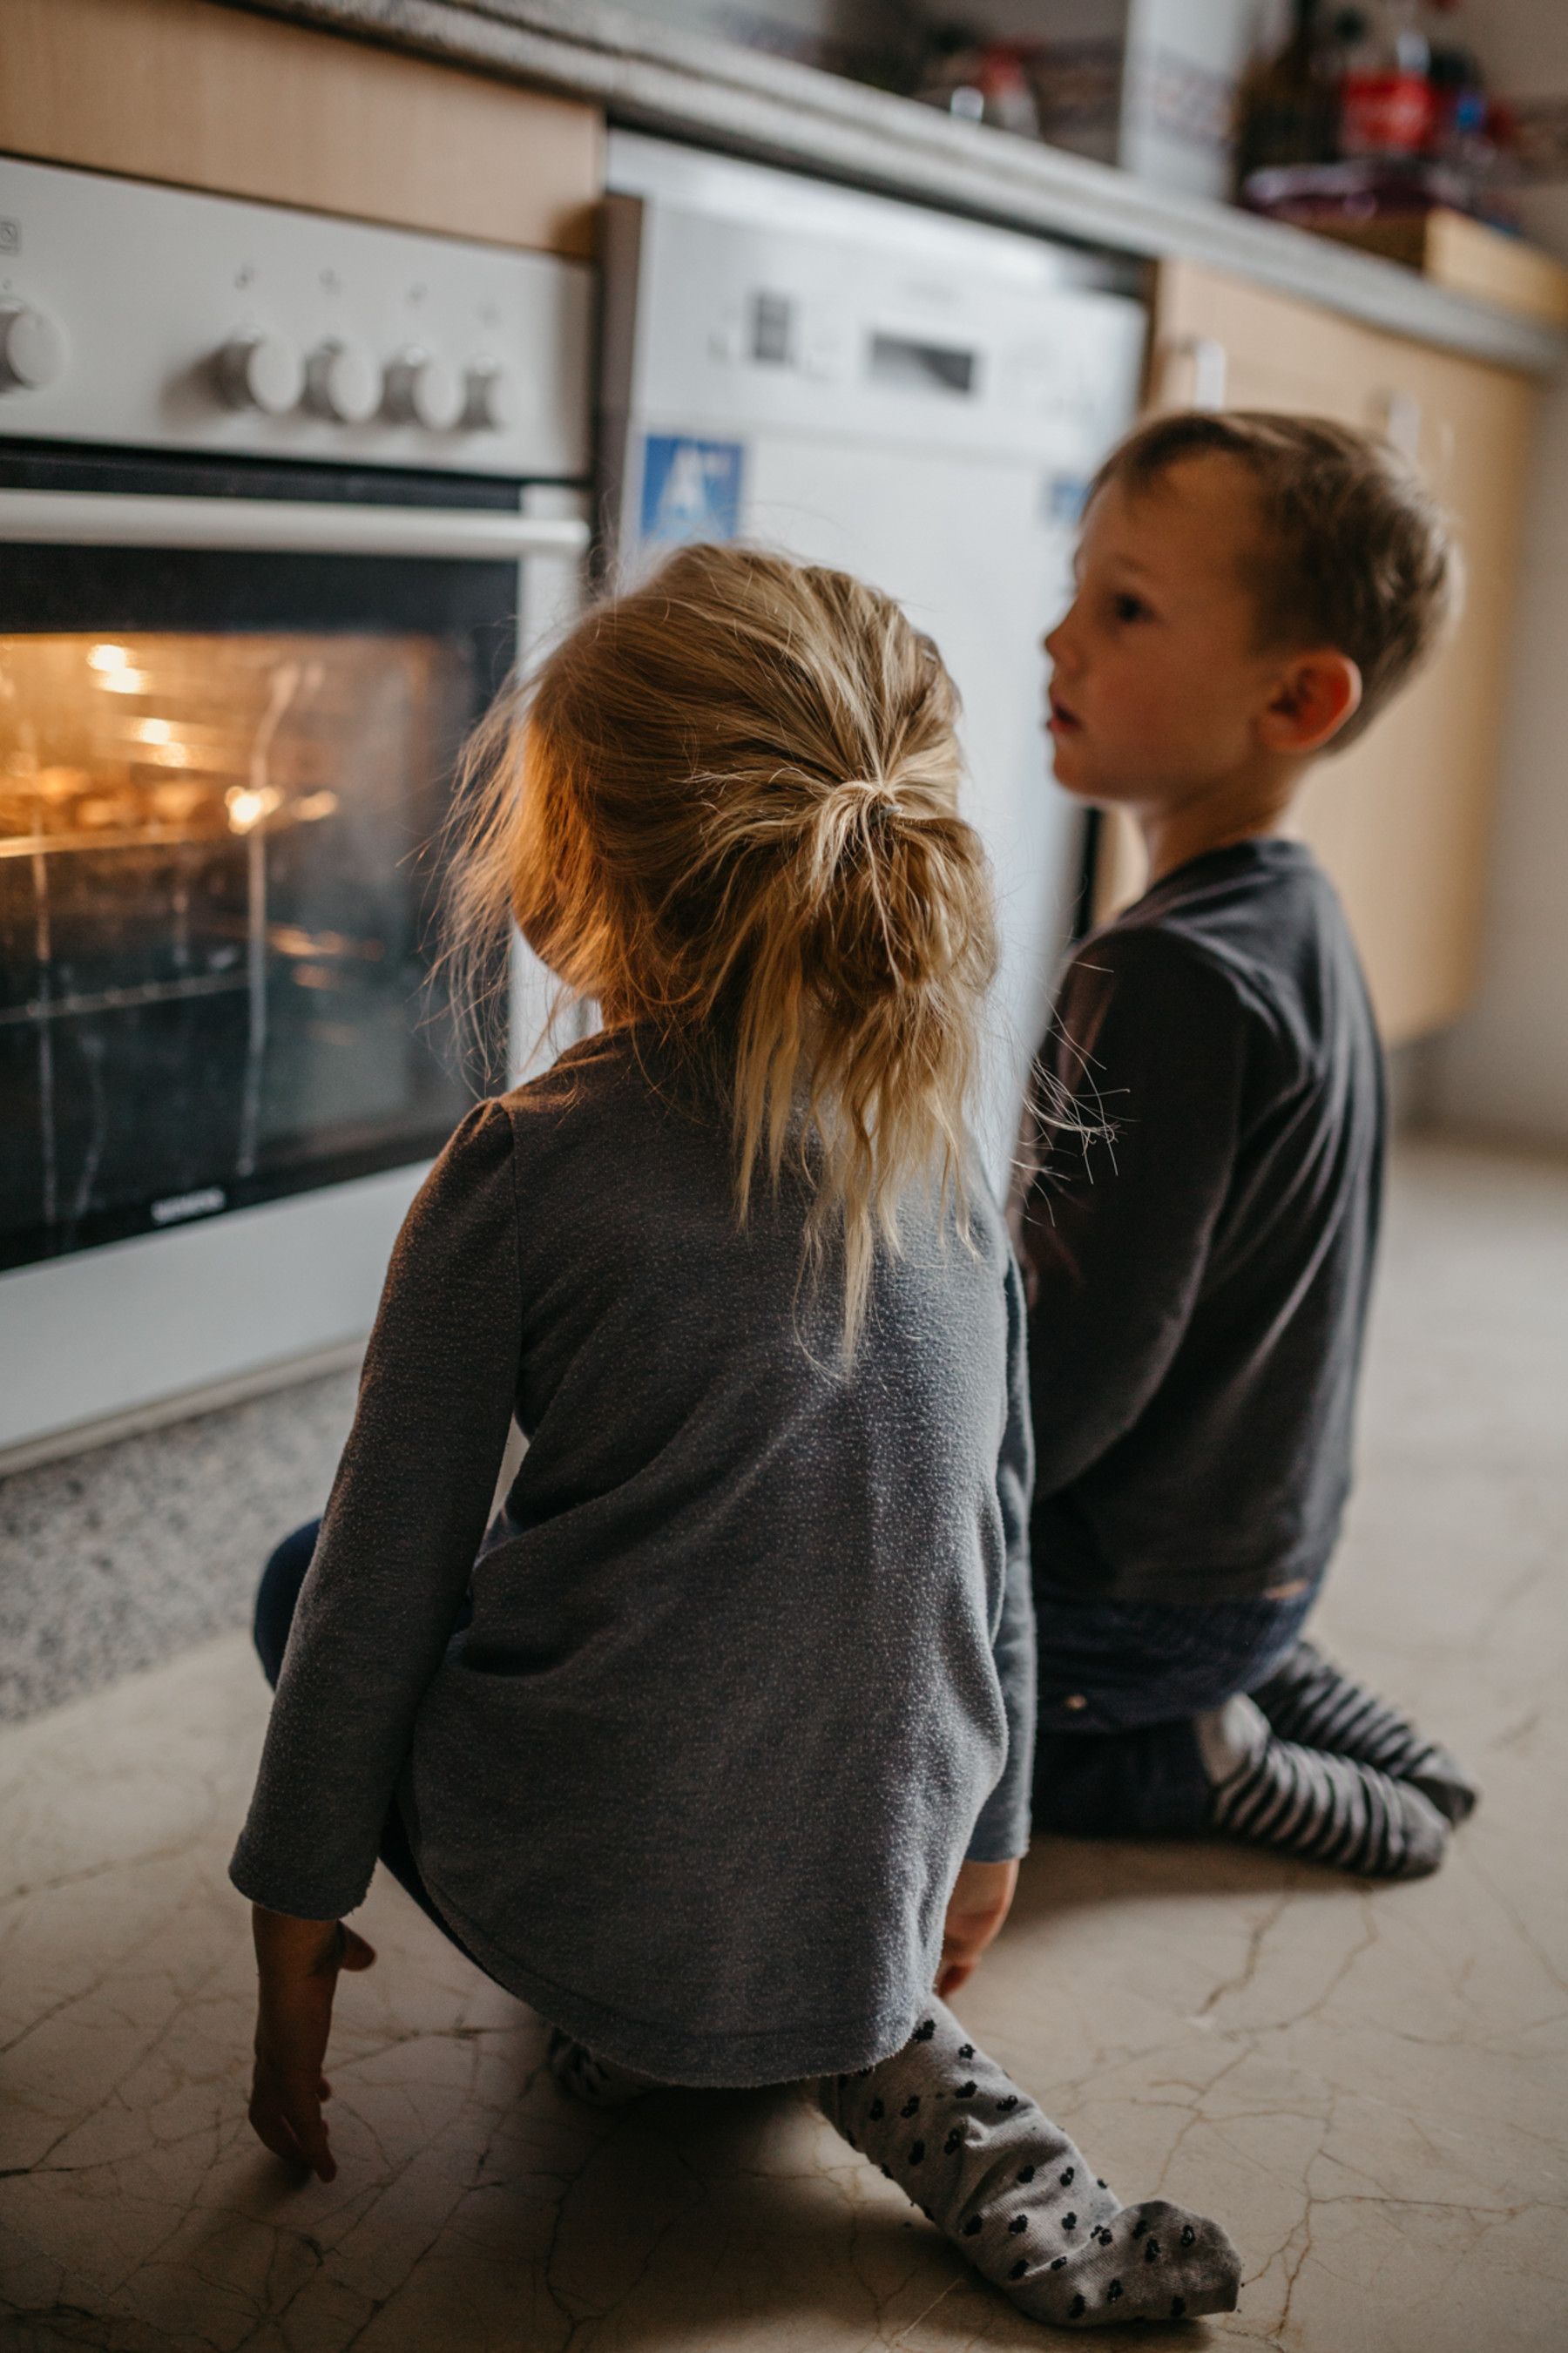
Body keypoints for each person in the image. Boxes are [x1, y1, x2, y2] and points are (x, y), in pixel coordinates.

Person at [230, 544, 1241, 2330]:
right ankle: (861, 2039)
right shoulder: (947, 1159)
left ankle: (650, 2009)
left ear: (571, 882)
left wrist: (290, 1919)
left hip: (605, 1875)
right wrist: (985, 1836)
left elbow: (382, 1588)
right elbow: (989, 1559)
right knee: (800, 1662)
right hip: (888, 1879)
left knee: (305, 1575)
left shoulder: (525, 1171)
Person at [1015, 409, 1480, 1880]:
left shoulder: (1161, 979)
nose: (1058, 639)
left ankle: (1185, 1749)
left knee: (824, 1657)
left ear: (1295, 701)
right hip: (1256, 1552)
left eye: (1126, 607)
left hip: (1136, 1604)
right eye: (1080, 586)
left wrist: (873, 1510)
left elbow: (1070, 1380)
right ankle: (1251, 1662)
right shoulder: (1296, 915)